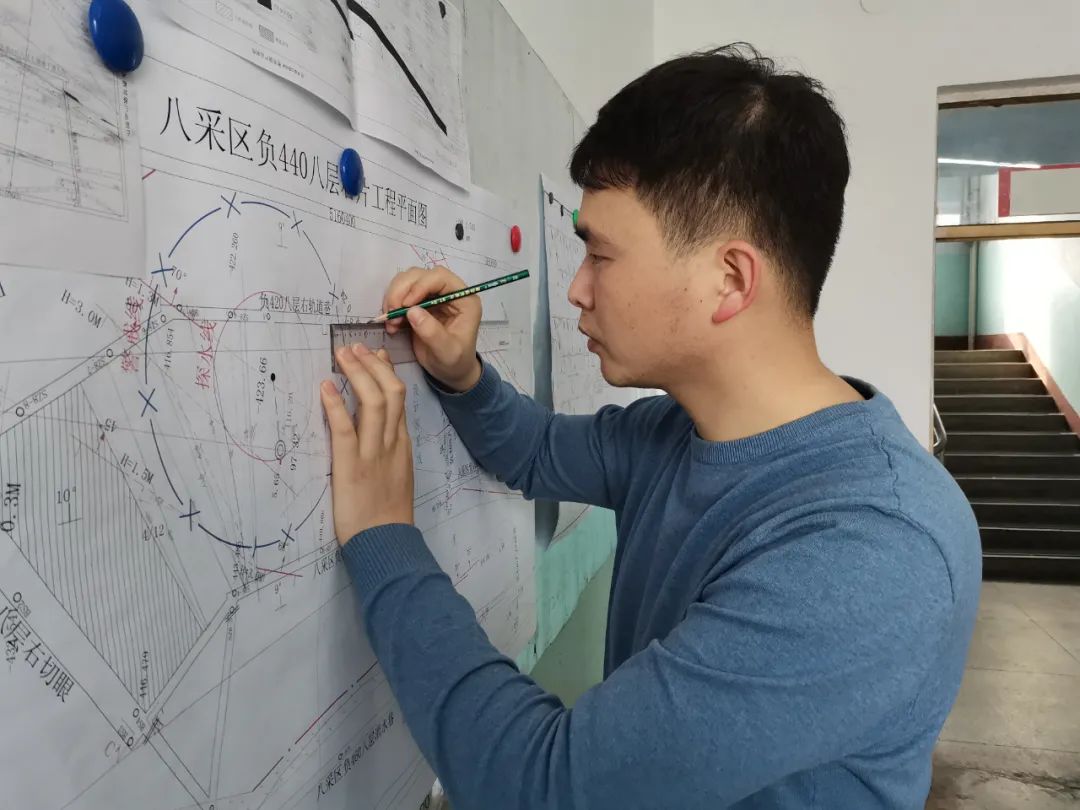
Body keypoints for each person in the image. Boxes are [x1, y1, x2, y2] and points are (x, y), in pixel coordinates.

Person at [318, 44, 981, 810]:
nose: (576, 289)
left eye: (600, 254)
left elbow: (538, 786)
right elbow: (533, 450)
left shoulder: (872, 550)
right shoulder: (671, 431)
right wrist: (461, 373)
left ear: (729, 280)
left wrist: (383, 538)